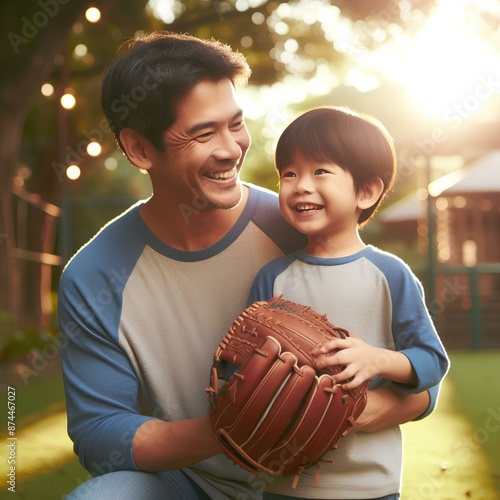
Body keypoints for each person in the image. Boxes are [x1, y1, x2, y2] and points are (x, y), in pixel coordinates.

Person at [58, 32, 437, 500]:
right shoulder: (94, 276)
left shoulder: (301, 225)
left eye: (235, 123)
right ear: (139, 148)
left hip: (301, 484)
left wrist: (352, 407)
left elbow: (422, 381)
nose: (231, 148)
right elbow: (99, 434)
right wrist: (242, 424)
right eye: (203, 133)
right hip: (188, 483)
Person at [248, 106, 450, 499]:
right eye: (289, 173)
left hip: (369, 485)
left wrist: (377, 359)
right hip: (282, 484)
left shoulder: (390, 274)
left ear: (366, 191)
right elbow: (249, 364)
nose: (300, 185)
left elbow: (432, 361)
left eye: (320, 171)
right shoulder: (271, 278)